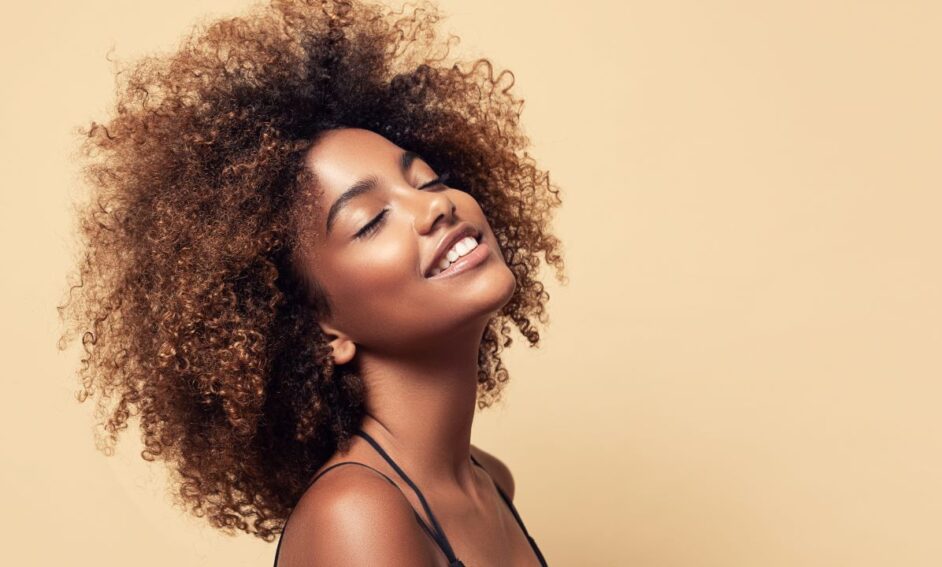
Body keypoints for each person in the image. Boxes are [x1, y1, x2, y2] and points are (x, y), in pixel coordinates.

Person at [57, 0, 566, 565]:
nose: (436, 207)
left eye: (427, 179)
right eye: (370, 221)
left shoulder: (489, 481)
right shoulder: (358, 516)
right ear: (322, 329)